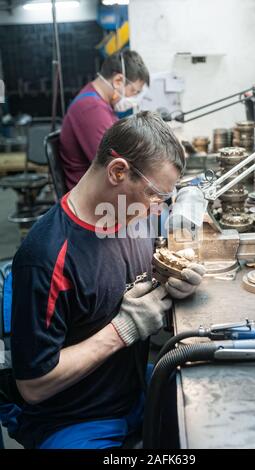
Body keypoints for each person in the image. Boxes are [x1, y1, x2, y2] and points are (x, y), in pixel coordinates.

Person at [11, 111, 205, 449]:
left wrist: (172, 283)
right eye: (155, 195)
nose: (158, 209)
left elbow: (127, 289)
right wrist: (123, 329)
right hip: (77, 420)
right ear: (118, 171)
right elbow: (34, 385)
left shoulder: (131, 218)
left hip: (134, 392)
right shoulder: (46, 257)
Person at [59, 50, 149, 190]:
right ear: (118, 81)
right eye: (134, 91)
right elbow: (114, 165)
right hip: (93, 200)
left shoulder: (100, 103)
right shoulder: (91, 109)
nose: (134, 99)